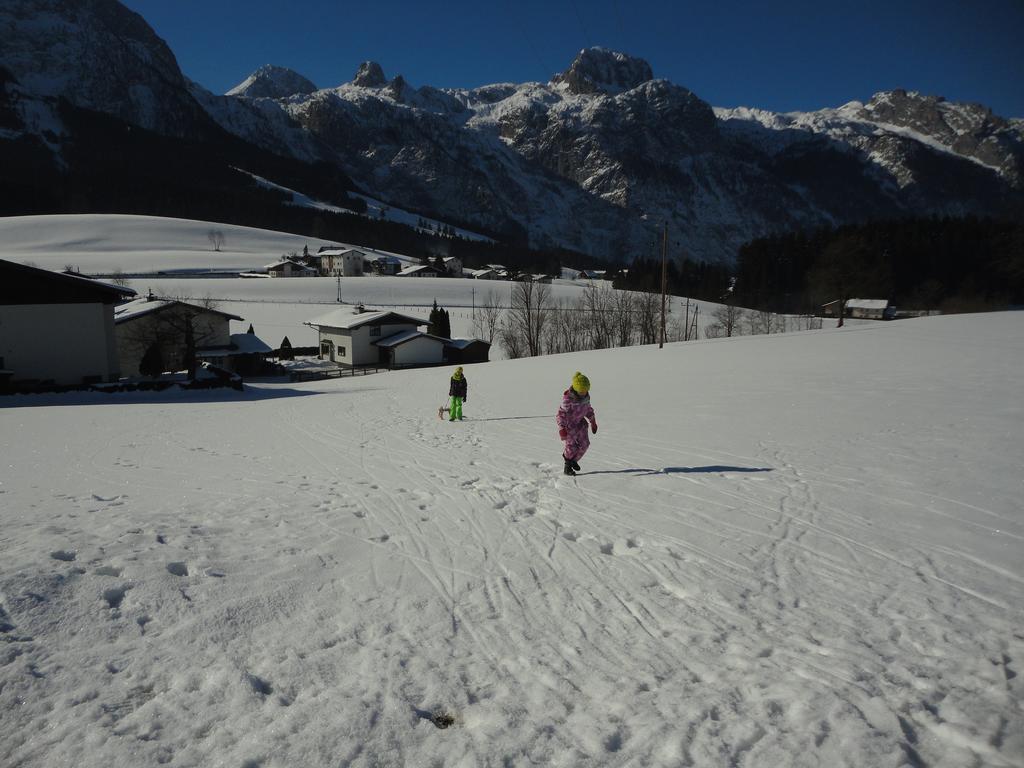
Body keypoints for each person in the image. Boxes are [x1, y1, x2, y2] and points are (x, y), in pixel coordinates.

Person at [556, 371, 597, 476]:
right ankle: (567, 466)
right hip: (569, 427)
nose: (584, 393)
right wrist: (562, 428)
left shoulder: (586, 398)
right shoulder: (568, 400)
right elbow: (561, 414)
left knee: (585, 444)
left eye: (586, 390)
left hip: (581, 425)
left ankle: (574, 461)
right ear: (576, 389)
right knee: (571, 447)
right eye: (581, 391)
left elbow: (588, 410)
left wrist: (593, 421)